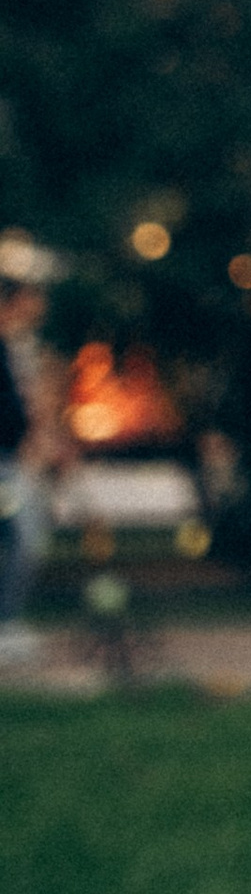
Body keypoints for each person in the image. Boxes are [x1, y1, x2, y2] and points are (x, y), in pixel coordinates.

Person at [0, 245, 71, 666]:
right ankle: (4, 622)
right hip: (8, 462)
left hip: (20, 462)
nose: (39, 306)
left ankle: (7, 620)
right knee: (24, 538)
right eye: (31, 297)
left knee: (27, 538)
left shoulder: (23, 348)